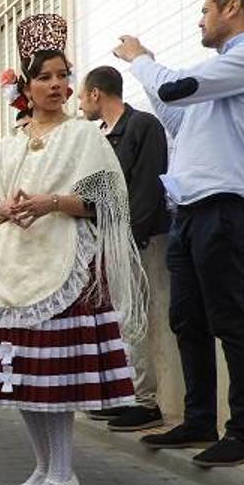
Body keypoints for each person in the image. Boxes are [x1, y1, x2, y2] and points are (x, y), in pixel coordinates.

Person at [0, 13, 143, 485]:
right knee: (21, 375)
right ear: (26, 84)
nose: (58, 85)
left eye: (64, 75)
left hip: (64, 267)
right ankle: (43, 466)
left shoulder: (84, 136)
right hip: (13, 269)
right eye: (45, 76)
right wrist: (4, 209)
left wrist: (51, 202)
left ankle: (64, 474)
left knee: (54, 379)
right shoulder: (9, 143)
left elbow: (107, 202)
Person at [114, 0, 244, 466]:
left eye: (206, 9)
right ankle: (198, 420)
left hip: (228, 203)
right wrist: (152, 81)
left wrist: (140, 59)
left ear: (232, 7)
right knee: (187, 318)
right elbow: (177, 116)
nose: (200, 19)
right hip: (190, 207)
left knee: (229, 319)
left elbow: (175, 88)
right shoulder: (225, 72)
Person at [79, 65, 171, 432]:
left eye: (82, 95)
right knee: (117, 320)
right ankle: (124, 394)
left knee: (136, 317)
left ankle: (145, 401)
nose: (81, 103)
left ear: (97, 94)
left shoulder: (143, 126)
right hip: (105, 243)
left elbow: (149, 189)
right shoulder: (99, 138)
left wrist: (130, 240)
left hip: (136, 242)